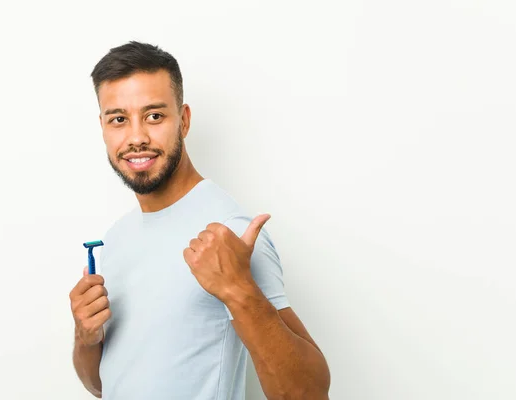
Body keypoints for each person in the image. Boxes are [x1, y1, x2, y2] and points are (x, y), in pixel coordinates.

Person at [69, 41, 331, 400]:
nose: (136, 137)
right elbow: (102, 385)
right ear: (102, 127)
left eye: (154, 116)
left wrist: (240, 290)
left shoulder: (231, 231)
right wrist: (85, 337)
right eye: (119, 119)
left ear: (185, 120)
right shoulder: (114, 240)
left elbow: (308, 394)